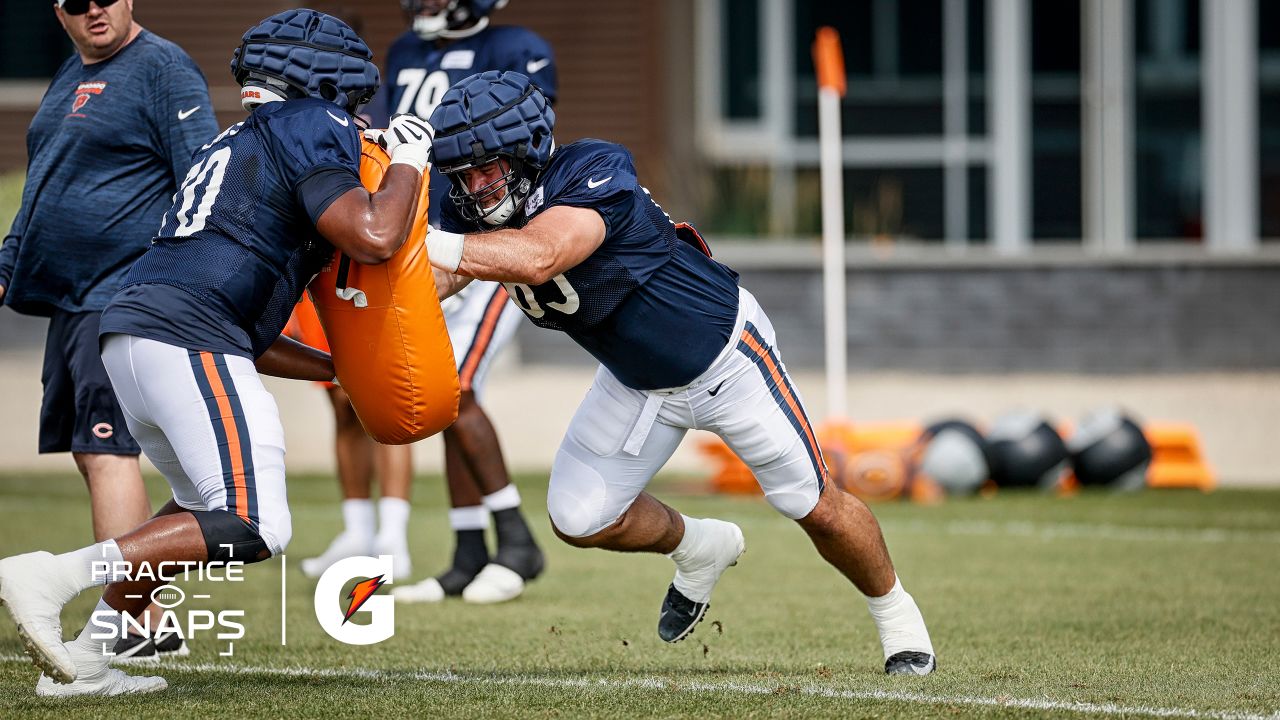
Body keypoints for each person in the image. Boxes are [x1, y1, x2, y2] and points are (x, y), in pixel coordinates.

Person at [424, 71, 938, 675]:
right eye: (462, 172)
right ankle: (701, 547)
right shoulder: (462, 209)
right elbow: (435, 279)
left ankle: (900, 621)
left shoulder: (592, 170)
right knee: (578, 516)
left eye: (488, 167)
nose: (476, 186)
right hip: (635, 382)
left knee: (812, 503)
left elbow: (541, 256)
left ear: (527, 148)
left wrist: (415, 241)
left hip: (726, 359)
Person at [0, 9, 433, 696]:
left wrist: (338, 369)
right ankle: (51, 576)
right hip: (180, 332)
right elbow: (374, 235)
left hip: (137, 330)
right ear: (323, 78)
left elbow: (252, 334)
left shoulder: (238, 142)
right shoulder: (308, 123)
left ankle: (87, 658)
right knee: (257, 521)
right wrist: (410, 159)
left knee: (197, 507)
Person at [0, 0, 218, 663]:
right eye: (74, 0)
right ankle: (145, 615)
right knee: (90, 451)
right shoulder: (72, 73)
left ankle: (133, 621)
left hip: (121, 295)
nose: (91, 9)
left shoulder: (163, 68)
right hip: (70, 300)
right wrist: (9, 263)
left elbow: (202, 180)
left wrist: (184, 282)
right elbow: (46, 185)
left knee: (109, 449)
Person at [369, 0, 556, 605]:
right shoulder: (403, 51)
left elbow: (531, 144)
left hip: (490, 238)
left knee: (456, 388)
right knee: (445, 396)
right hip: (424, 231)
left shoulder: (515, 45)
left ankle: (517, 541)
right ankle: (468, 552)